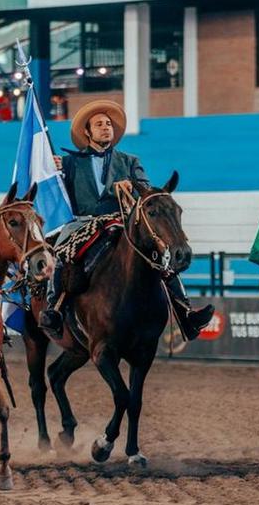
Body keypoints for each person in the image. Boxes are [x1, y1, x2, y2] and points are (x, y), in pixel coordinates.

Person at [39, 99, 214, 340]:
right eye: (98, 124)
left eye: (108, 124)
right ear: (87, 132)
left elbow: (146, 188)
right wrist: (54, 170)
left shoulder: (130, 161)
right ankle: (54, 310)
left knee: (158, 256)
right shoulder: (69, 163)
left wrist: (132, 184)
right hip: (83, 222)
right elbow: (53, 188)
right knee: (63, 253)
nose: (105, 127)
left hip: (120, 221)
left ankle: (186, 313)